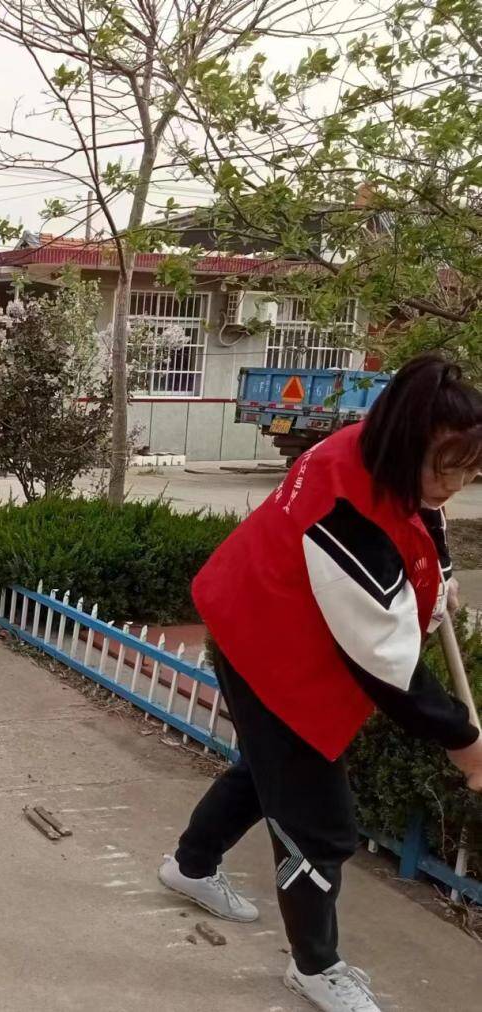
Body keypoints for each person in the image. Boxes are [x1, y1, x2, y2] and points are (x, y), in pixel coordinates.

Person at [158, 354, 482, 1012]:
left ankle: (189, 865)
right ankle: (314, 967)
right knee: (317, 824)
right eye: (444, 469)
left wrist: (439, 570)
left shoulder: (372, 446)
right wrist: (467, 744)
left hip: (255, 610)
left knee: (264, 769)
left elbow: (424, 517)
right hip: (267, 648)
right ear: (405, 444)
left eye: (469, 473)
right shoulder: (347, 518)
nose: (454, 486)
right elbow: (389, 672)